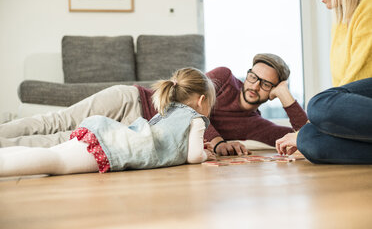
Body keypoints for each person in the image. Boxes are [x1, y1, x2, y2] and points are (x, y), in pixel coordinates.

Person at [0, 53, 308, 156]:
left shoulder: (257, 124)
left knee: (64, 141)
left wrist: (288, 98)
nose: (255, 85)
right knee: (55, 122)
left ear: (273, 90)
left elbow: (305, 135)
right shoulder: (225, 77)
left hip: (140, 129)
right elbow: (193, 109)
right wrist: (215, 141)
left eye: (266, 84)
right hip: (130, 100)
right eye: (254, 76)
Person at [0, 68, 217, 177]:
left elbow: (168, 139)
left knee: (55, 146)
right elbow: (194, 156)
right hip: (119, 129)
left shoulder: (168, 110)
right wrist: (205, 152)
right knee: (56, 157)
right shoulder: (196, 118)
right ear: (201, 100)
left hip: (113, 132)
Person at [276, 0, 372, 164]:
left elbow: (358, 82)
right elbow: (344, 97)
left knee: (318, 105)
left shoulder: (370, 8)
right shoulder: (342, 19)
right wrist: (303, 134)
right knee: (310, 141)